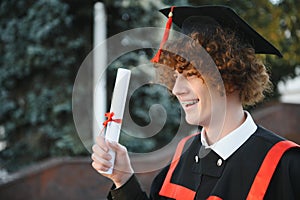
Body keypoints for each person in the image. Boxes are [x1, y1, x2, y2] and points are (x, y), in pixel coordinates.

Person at [91, 5, 300, 200]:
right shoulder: (183, 155)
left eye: (191, 74)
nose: (176, 89)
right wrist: (123, 178)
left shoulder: (285, 167)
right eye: (176, 76)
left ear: (231, 77)